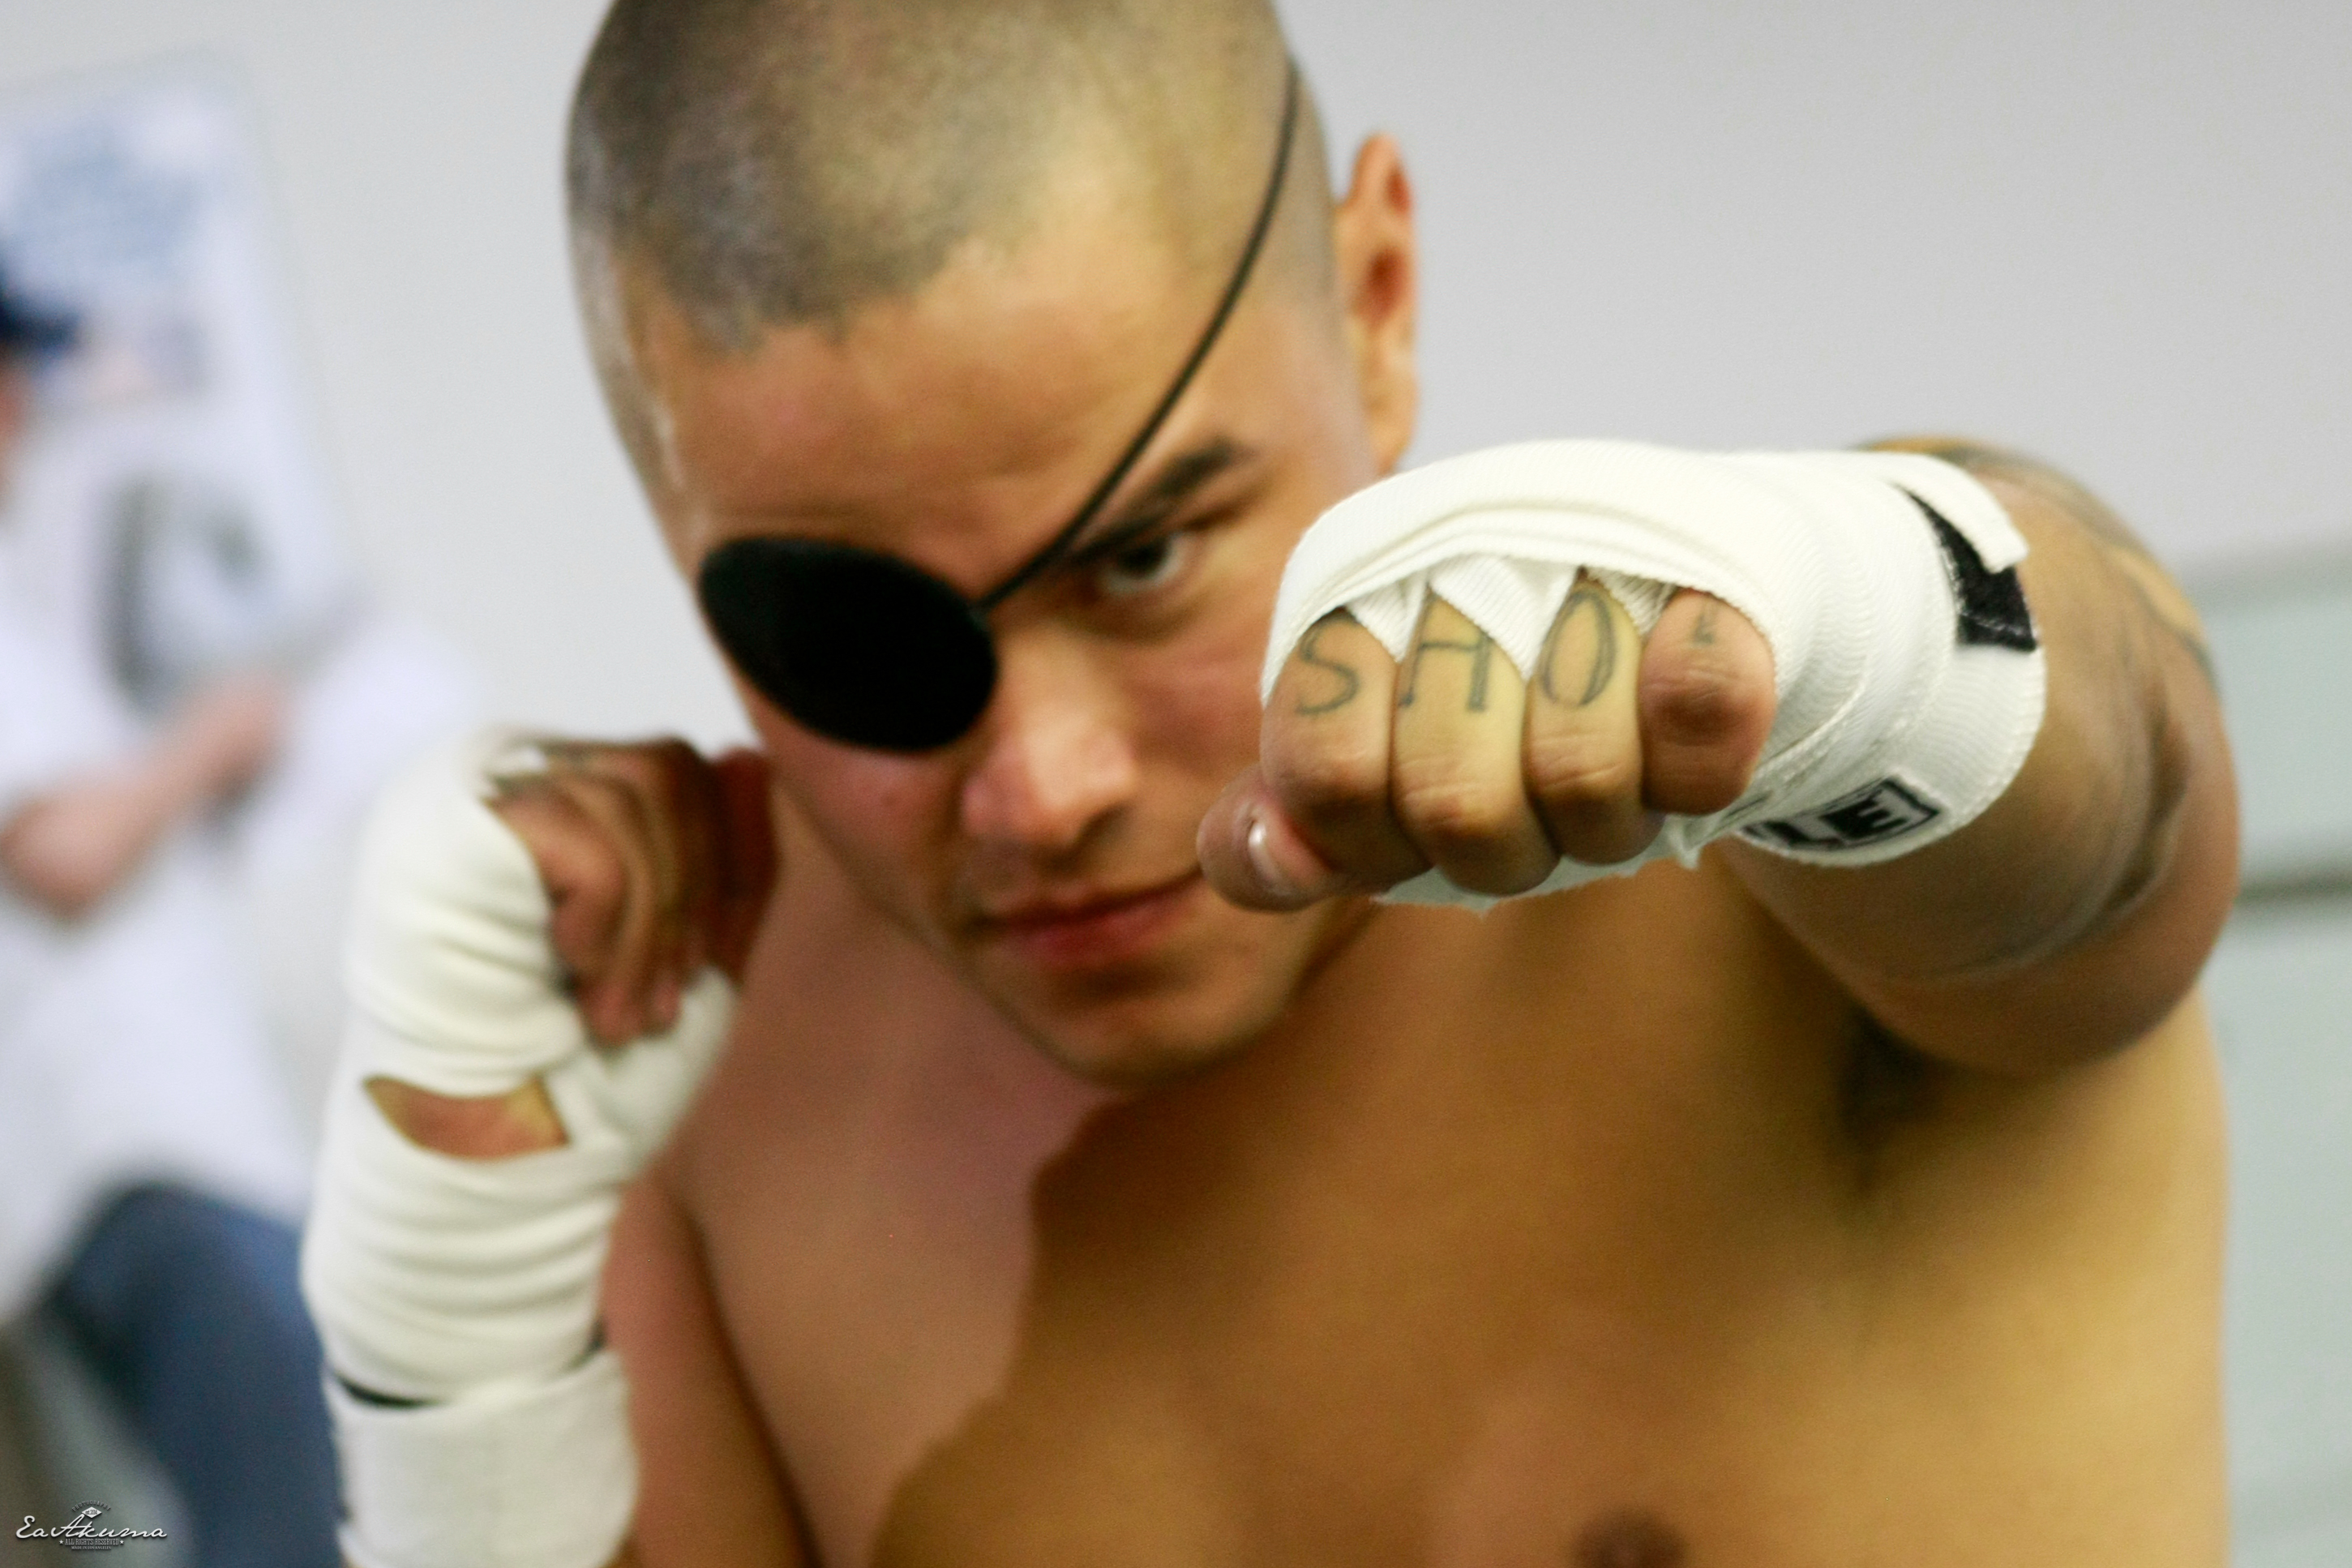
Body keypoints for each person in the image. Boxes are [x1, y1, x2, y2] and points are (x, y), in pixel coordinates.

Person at [300, 2, 2239, 1566]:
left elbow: (2121, 809)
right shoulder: (706, 1082)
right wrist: (451, 1331)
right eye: (853, 638)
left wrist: (1858, 640)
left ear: (1375, 299)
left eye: (1146, 556)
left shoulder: (1804, 789)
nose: (1042, 787)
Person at [0, 264, 344, 1562]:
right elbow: (67, 851)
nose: (28, 411)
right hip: (145, 1166)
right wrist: (213, 738)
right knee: (287, 1532)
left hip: (150, 1172)